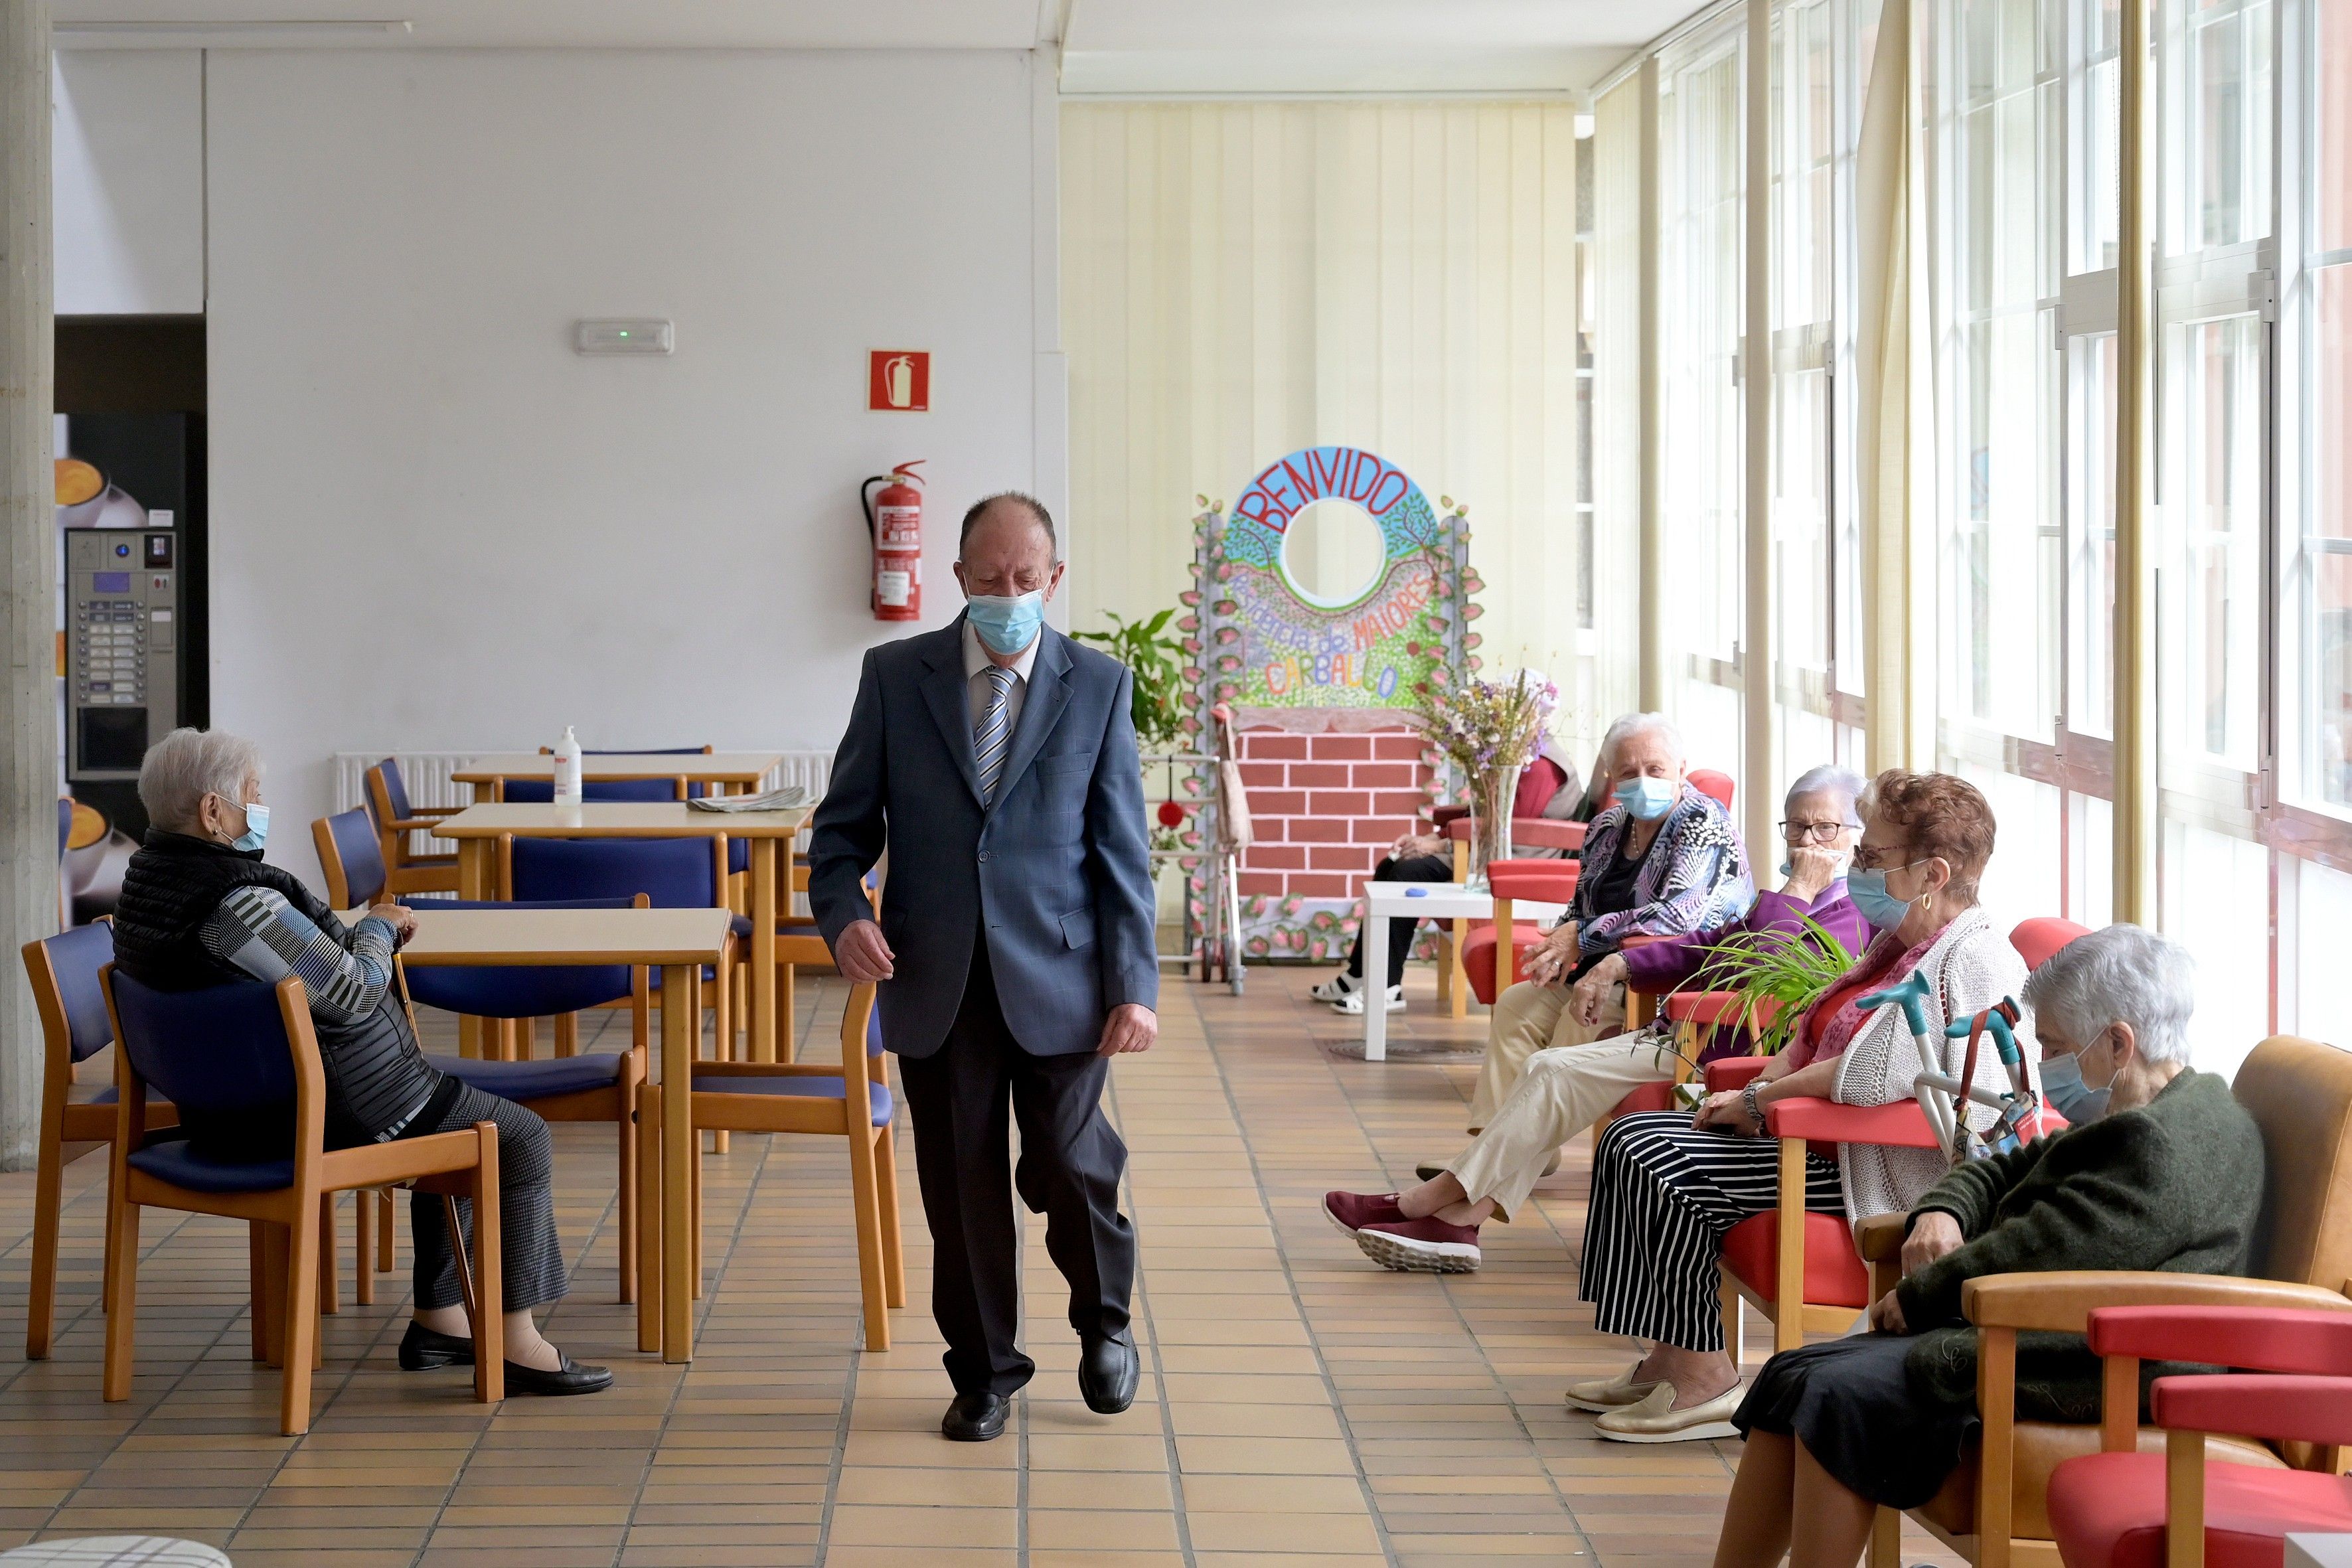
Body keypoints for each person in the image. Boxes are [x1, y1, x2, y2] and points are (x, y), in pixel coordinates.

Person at [1712, 923, 2262, 1568]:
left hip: (2098, 1365)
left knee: (1835, 1391)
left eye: (2055, 1045)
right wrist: (1944, 1207)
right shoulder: (2156, 1110)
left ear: (2119, 1042)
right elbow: (2007, 1163)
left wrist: (1917, 1298)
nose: (2045, 1063)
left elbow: (2043, 1251)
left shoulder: (2156, 1147)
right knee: (1791, 1373)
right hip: (2050, 1327)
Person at [108, 728, 609, 1395]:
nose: (262, 808)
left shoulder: (145, 887)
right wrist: (375, 928)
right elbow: (348, 994)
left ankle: (442, 1321)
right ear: (212, 812)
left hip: (229, 1108)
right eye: (254, 796)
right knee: (516, 1136)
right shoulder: (238, 903)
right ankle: (516, 1341)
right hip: (325, 1106)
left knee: (459, 1118)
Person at [809, 492, 1159, 1445]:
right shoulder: (895, 676)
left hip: (1062, 975)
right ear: (958, 579)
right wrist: (842, 917)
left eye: (1026, 579)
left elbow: (1121, 850)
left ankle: (1105, 1323)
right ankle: (984, 1373)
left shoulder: (1096, 683)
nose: (1008, 595)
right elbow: (838, 834)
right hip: (937, 977)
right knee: (959, 1189)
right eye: (990, 579)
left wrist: (1136, 983)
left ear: (1053, 579)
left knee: (1072, 1166)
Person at [1563, 770, 2026, 1443]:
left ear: (1933, 872)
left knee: (1659, 1159)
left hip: (1865, 1162)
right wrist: (1762, 1086)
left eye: (1874, 857)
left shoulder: (1976, 956)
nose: (1858, 867)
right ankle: (1670, 1356)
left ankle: (1706, 1380)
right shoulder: (1896, 940)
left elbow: (1875, 1076)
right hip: (1811, 1134)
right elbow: (1816, 1028)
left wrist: (1760, 1099)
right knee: (1629, 1137)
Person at [1322, 766, 1869, 1272]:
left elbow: (1754, 973)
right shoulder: (1781, 898)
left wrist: (1798, 889)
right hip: (1683, 1035)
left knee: (1552, 1071)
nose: (1805, 843)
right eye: (1795, 827)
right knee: (1548, 1068)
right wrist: (1621, 961)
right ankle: (1457, 1224)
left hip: (1727, 1055)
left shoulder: (1855, 915)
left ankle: (1425, 1203)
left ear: (1857, 834)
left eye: (1824, 828)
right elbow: (1710, 946)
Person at [1461, 712, 1755, 1135]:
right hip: (1595, 968)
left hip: (1659, 977)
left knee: (1576, 1019)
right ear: (1611, 777)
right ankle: (1489, 1138)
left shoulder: (1701, 820)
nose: (1643, 780)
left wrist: (1582, 938)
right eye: (1628, 772)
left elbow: (1678, 915)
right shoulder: (1607, 825)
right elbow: (1580, 905)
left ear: (1681, 769)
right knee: (1516, 1004)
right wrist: (1555, 951)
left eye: (1655, 769)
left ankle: (1510, 1152)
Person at [1310, 717, 1589, 1016]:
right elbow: (1488, 811)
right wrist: (1432, 837)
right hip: (1490, 847)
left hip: (1518, 858)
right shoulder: (1520, 756)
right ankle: (1359, 974)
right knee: (1389, 868)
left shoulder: (1543, 766)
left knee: (1407, 872)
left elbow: (1506, 824)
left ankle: (1387, 987)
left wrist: (1439, 845)